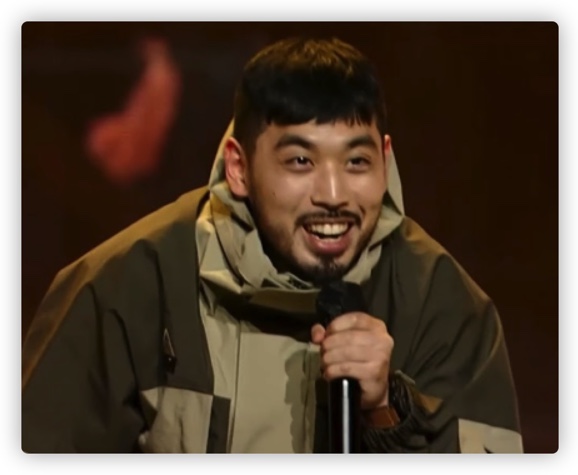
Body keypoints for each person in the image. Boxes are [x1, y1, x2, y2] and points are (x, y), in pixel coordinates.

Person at [21, 37, 522, 453]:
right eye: (300, 161)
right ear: (239, 167)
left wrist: (386, 412)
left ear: (385, 158)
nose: (333, 195)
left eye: (356, 162)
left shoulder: (442, 303)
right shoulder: (125, 286)